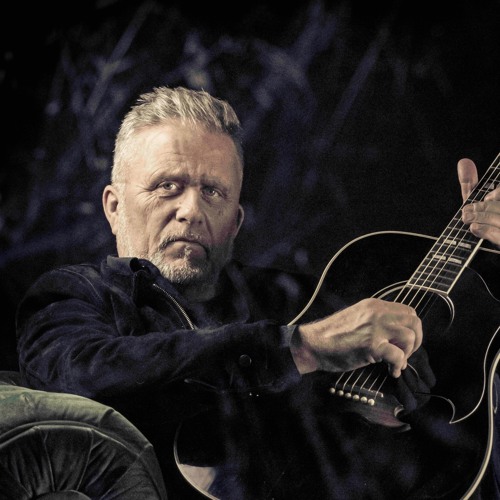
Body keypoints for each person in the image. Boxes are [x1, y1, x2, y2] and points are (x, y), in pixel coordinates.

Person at [15, 86, 500, 499]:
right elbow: (79, 375)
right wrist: (300, 347)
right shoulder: (74, 295)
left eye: (213, 192)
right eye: (167, 186)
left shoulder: (295, 297)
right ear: (114, 207)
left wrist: (489, 259)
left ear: (236, 221)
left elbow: (442, 396)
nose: (191, 210)